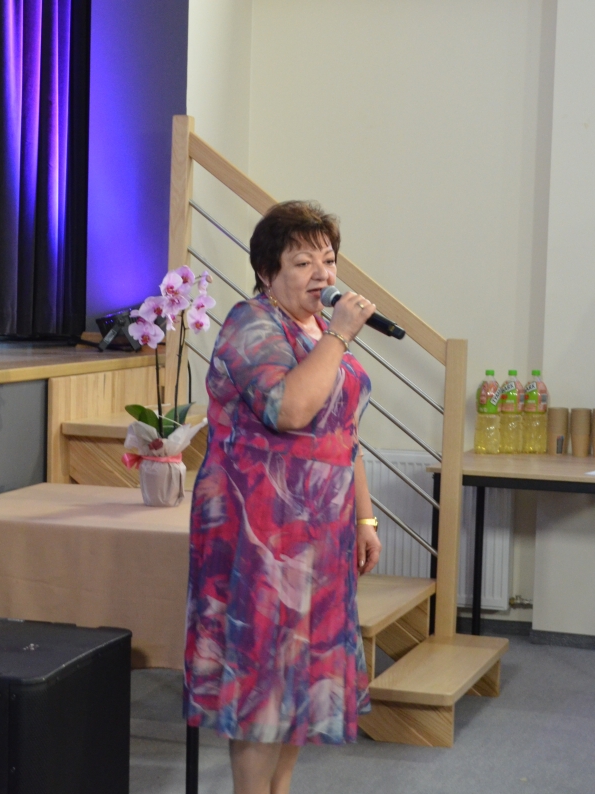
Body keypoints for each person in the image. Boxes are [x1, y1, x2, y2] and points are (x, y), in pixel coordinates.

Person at [183, 200, 383, 794]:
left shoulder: (321, 332)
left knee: (303, 677)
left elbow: (345, 433)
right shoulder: (252, 324)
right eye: (303, 262)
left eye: (329, 260)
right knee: (262, 684)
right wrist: (340, 335)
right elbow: (289, 410)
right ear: (267, 272)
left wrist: (365, 518)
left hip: (322, 536)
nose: (323, 274)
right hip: (260, 537)